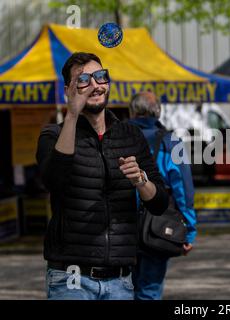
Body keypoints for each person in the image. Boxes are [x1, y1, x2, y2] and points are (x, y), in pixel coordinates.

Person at [36, 52, 169, 300]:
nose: (95, 85)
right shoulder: (53, 135)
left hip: (121, 280)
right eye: (84, 80)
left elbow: (159, 203)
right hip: (70, 279)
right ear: (69, 90)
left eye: (100, 76)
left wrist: (141, 180)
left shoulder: (130, 135)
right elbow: (53, 181)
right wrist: (72, 115)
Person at [128, 91, 197, 300]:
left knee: (120, 289)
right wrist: (189, 229)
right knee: (149, 290)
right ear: (158, 112)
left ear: (132, 111)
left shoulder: (117, 137)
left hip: (120, 227)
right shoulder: (171, 142)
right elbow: (183, 190)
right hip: (157, 227)